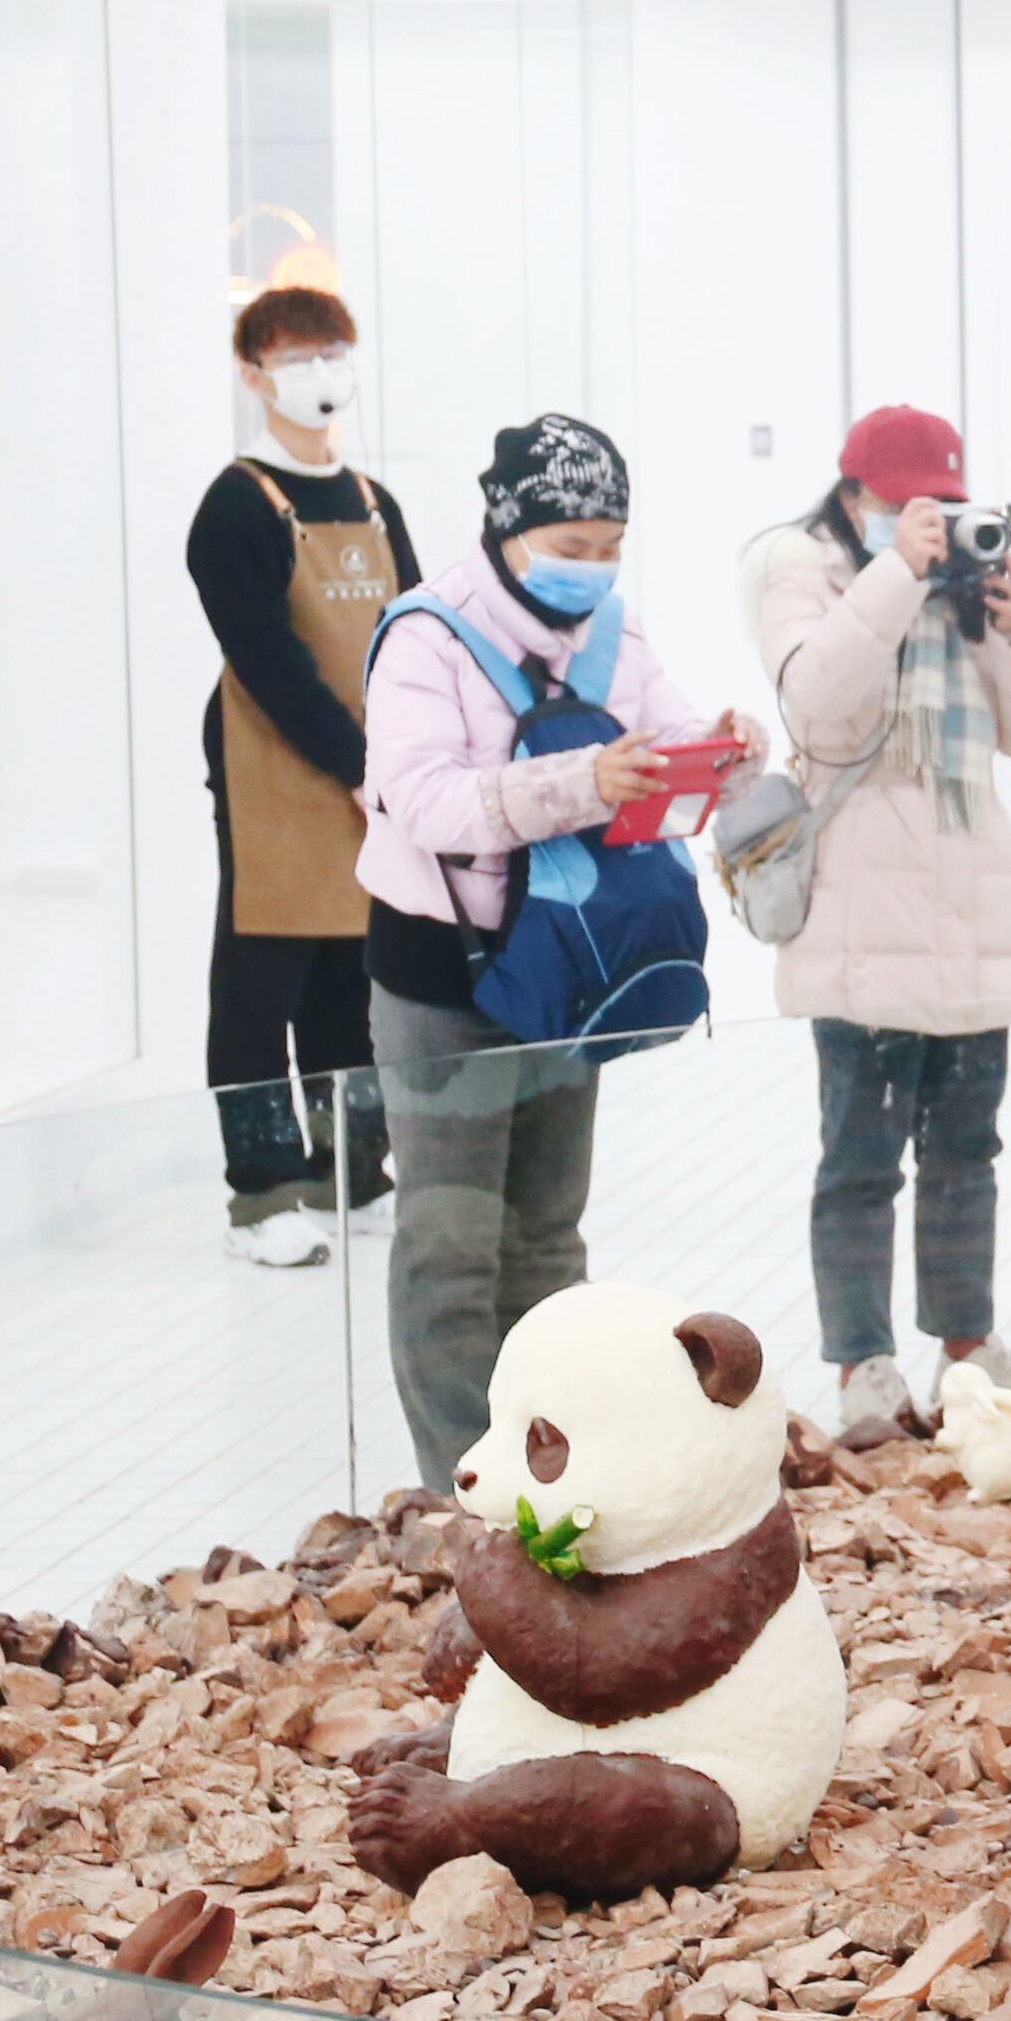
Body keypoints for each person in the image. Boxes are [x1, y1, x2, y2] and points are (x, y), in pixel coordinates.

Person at [358, 413, 751, 1480]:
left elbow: (660, 743)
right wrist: (581, 784)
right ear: (508, 529)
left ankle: (547, 1465)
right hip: (444, 979)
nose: (592, 568)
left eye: (609, 545)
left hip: (567, 976)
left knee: (544, 1237)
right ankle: (455, 1487)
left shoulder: (614, 632)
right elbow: (422, 801)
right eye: (571, 546)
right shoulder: (424, 636)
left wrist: (715, 751)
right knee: (449, 1247)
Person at [740, 404, 1011, 1441]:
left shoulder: (964, 589)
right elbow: (817, 706)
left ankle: (967, 1345)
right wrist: (896, 574)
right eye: (905, 507)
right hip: (858, 911)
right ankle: (862, 1367)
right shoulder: (800, 568)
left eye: (946, 508)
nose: (930, 525)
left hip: (972, 906)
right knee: (860, 1157)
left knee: (968, 1149)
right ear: (855, 500)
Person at [189, 285, 419, 1266]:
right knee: (260, 988)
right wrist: (357, 761)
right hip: (279, 772)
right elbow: (270, 661)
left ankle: (352, 1176)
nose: (321, 372)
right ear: (252, 374)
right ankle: (262, 1195)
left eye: (335, 351)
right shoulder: (237, 505)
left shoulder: (373, 499)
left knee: (350, 982)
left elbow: (417, 638)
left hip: (369, 773)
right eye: (297, 356)